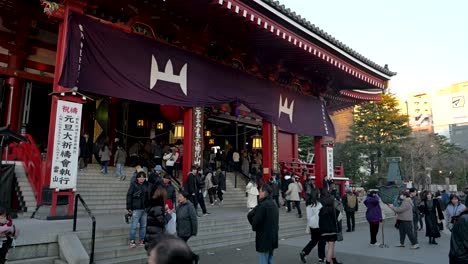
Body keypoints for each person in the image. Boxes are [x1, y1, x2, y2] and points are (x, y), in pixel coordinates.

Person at [247, 184, 279, 264]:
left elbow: (252, 217)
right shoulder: (274, 204)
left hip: (264, 237)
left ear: (264, 192)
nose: (259, 193)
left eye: (260, 191)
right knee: (269, 259)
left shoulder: (262, 205)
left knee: (263, 260)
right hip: (273, 237)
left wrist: (254, 226)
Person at [126, 171, 151, 248]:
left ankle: (141, 240)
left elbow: (149, 197)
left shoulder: (147, 185)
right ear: (137, 178)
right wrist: (129, 207)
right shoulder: (133, 185)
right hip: (136, 208)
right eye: (140, 177)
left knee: (143, 226)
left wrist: (149, 206)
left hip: (145, 209)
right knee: (134, 226)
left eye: (143, 177)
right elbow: (129, 195)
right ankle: (132, 241)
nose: (141, 178)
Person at [300, 190, 323, 263]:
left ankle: (304, 252)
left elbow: (308, 217)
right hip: (319, 225)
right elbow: (320, 215)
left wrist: (308, 226)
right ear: (317, 194)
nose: (320, 194)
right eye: (319, 193)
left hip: (312, 225)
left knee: (314, 240)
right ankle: (321, 258)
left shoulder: (308, 204)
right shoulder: (319, 204)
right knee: (321, 241)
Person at [176, 191, 199, 263]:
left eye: (180, 196)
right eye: (178, 196)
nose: (178, 198)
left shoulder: (190, 206)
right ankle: (194, 257)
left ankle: (191, 259)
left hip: (187, 231)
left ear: (185, 198)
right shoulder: (179, 206)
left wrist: (194, 231)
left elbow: (194, 219)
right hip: (180, 230)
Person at [318, 195, 342, 264]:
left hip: (323, 231)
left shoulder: (321, 210)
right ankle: (328, 262)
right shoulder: (334, 210)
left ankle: (334, 260)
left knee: (331, 246)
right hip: (332, 230)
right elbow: (340, 218)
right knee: (331, 247)